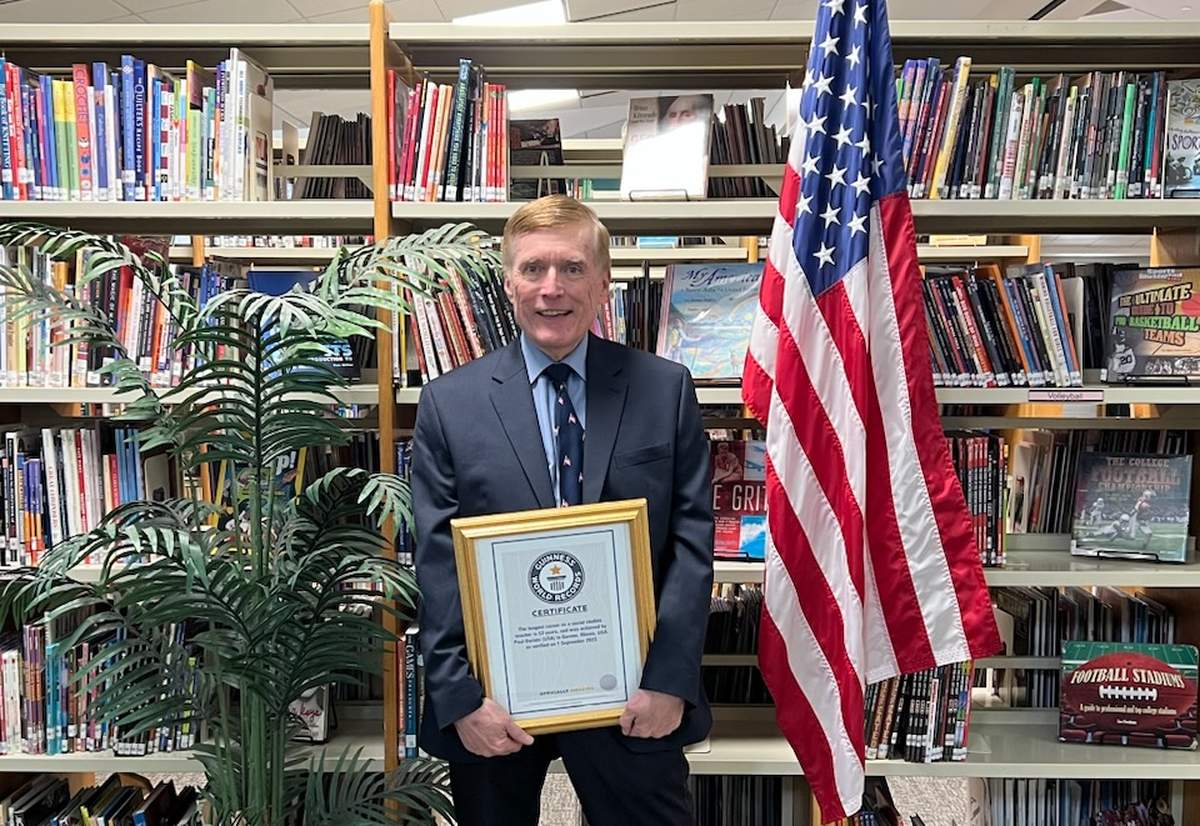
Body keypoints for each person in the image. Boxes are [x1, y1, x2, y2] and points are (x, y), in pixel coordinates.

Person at [411, 194, 715, 826]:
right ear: (508, 283)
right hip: (496, 698)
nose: (552, 289)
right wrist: (460, 696)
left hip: (634, 690)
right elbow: (436, 562)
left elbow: (690, 543)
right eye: (533, 269)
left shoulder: (664, 389)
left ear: (604, 283)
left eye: (572, 268)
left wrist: (669, 679)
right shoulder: (449, 404)